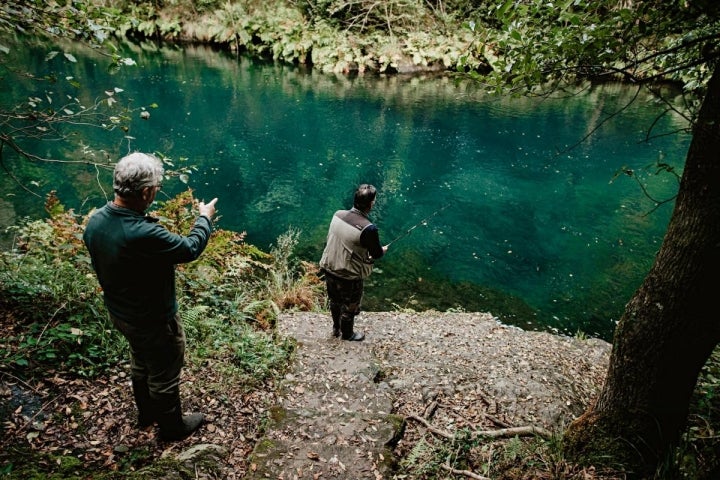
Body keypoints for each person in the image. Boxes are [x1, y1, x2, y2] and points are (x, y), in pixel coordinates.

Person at [83, 152, 218, 441]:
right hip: (153, 319)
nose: (157, 190)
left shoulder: (96, 222)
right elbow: (190, 248)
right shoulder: (142, 232)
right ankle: (172, 428)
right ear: (145, 192)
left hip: (122, 314)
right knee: (164, 372)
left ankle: (146, 414)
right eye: (156, 186)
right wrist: (204, 218)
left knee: (141, 361)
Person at [319, 184, 388, 341]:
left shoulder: (337, 214)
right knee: (351, 306)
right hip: (348, 276)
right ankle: (348, 334)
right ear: (371, 204)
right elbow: (376, 253)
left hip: (329, 268)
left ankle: (336, 328)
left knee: (335, 301)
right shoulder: (368, 228)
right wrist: (382, 250)